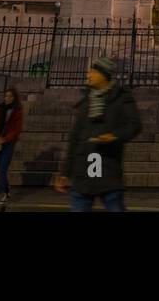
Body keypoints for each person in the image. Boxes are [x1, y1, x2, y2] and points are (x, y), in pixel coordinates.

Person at [54, 56, 143, 211]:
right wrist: (65, 173)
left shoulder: (122, 98)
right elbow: (74, 139)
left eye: (93, 72)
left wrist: (114, 136)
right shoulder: (86, 102)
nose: (88, 75)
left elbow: (134, 125)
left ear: (104, 74)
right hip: (83, 171)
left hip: (108, 166)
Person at [0, 86, 24, 206]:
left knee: (3, 169)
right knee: (1, 169)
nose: (7, 98)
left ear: (14, 98)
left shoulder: (17, 110)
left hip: (8, 143)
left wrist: (5, 139)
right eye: (6, 96)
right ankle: (6, 190)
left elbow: (17, 130)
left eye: (10, 96)